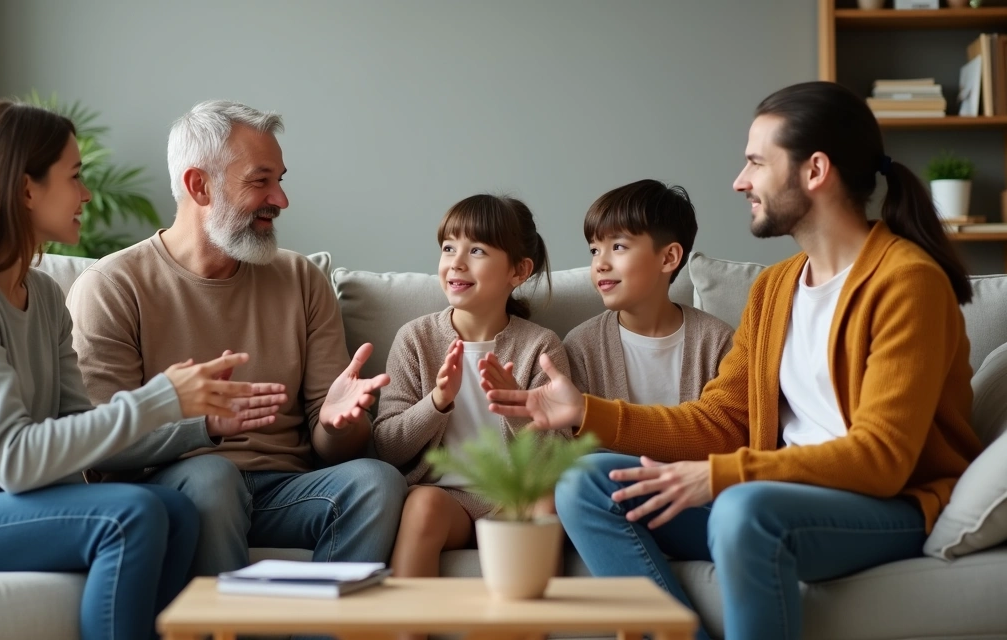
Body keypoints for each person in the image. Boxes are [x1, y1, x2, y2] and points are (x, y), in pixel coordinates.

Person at [485, 81, 983, 640]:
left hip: (885, 508)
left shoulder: (906, 281)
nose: (739, 181)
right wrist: (585, 412)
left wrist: (722, 478)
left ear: (814, 170)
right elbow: (722, 419)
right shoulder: (775, 289)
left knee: (742, 512)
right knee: (586, 483)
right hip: (776, 499)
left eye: (755, 162)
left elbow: (882, 458)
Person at [0, 100, 280, 640]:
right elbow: (16, 460)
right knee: (132, 515)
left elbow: (89, 437)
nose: (87, 194)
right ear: (27, 189)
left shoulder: (44, 294)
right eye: (74, 177)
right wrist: (161, 397)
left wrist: (199, 423)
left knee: (176, 510)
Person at [67, 100, 407, 577]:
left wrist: (335, 424)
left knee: (376, 481)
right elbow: (100, 442)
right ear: (198, 185)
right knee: (213, 475)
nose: (281, 200)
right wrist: (201, 426)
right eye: (259, 180)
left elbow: (335, 446)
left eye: (280, 180)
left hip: (282, 490)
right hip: (177, 486)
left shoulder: (300, 279)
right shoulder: (114, 286)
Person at [374, 194, 569, 579]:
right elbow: (387, 446)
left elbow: (559, 461)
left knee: (548, 502)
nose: (456, 263)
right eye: (448, 248)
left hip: (517, 498)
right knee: (423, 506)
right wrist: (436, 402)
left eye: (476, 250)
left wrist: (521, 412)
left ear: (518, 271)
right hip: (449, 501)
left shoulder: (541, 346)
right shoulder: (415, 339)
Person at [563, 179, 732, 407]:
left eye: (618, 247)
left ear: (668, 258)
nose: (600, 264)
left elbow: (726, 430)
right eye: (594, 250)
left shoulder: (718, 343)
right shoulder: (581, 347)